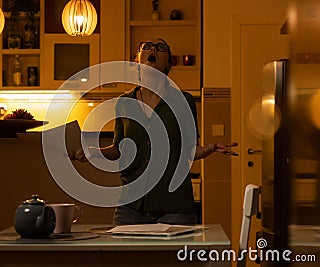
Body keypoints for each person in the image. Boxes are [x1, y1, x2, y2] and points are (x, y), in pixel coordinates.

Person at [70, 37, 238, 225]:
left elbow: (189, 150)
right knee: (122, 254)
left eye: (161, 48)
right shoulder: (124, 103)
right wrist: (93, 152)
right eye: (147, 47)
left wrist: (210, 148)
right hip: (131, 206)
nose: (154, 50)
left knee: (175, 255)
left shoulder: (184, 101)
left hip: (175, 206)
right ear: (137, 60)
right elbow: (118, 149)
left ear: (168, 62)